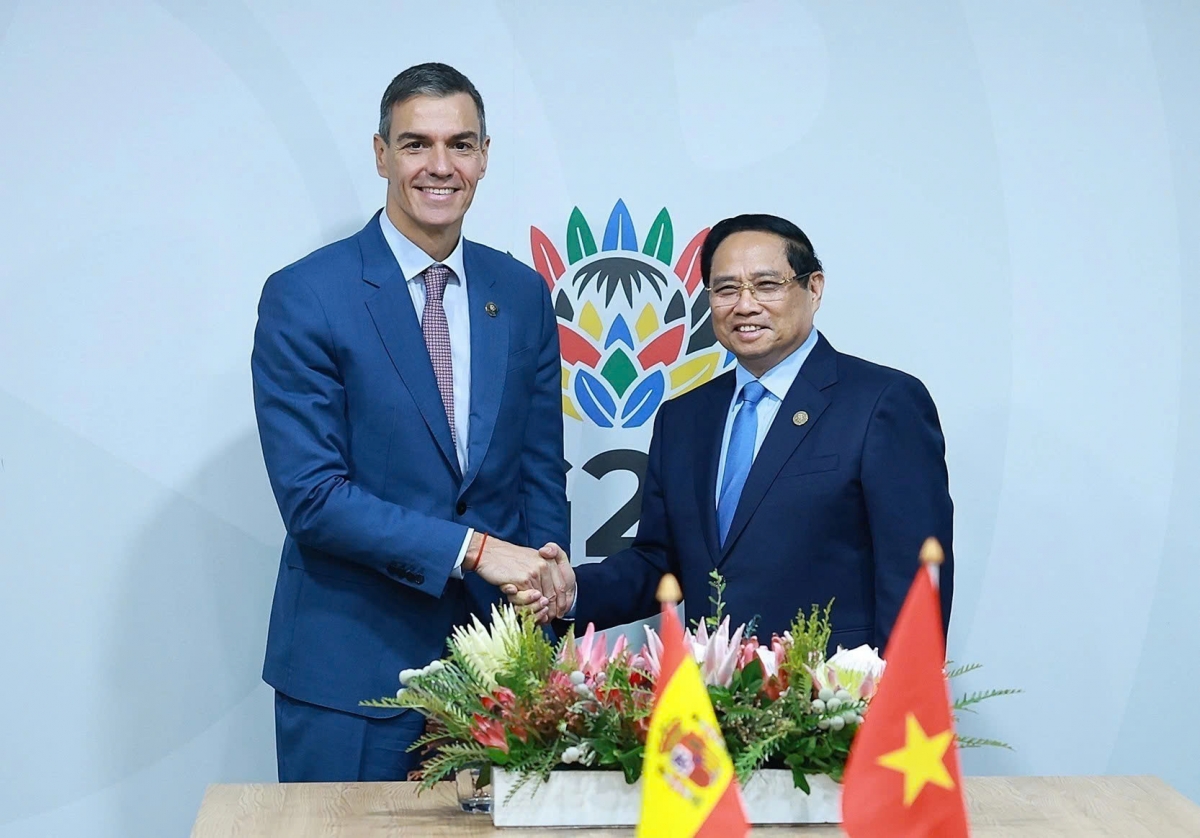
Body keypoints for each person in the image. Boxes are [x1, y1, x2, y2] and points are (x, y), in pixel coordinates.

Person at [251, 62, 569, 782]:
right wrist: (477, 550)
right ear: (381, 154)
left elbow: (538, 469)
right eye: (416, 143)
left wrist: (545, 586)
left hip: (501, 670)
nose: (440, 166)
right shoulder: (307, 294)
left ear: (484, 156)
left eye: (461, 144)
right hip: (351, 673)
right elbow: (314, 498)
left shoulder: (520, 292)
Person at [514, 213, 952, 652]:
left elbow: (915, 574)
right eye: (726, 289)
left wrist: (904, 688)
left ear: (814, 288)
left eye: (767, 285)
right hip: (710, 684)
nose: (745, 305)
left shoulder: (882, 403)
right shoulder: (683, 418)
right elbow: (660, 561)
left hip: (832, 685)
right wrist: (571, 591)